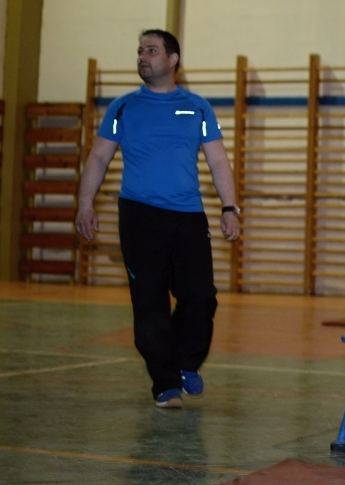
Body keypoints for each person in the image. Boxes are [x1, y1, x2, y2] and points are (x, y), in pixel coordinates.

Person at [75, 29, 240, 408]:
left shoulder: (198, 108)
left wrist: (229, 207)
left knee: (200, 298)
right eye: (140, 51)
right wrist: (85, 203)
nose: (142, 57)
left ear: (173, 59)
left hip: (188, 217)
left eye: (151, 50)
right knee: (150, 303)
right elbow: (99, 156)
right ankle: (165, 384)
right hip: (140, 217)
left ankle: (185, 362)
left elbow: (218, 160)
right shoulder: (122, 108)